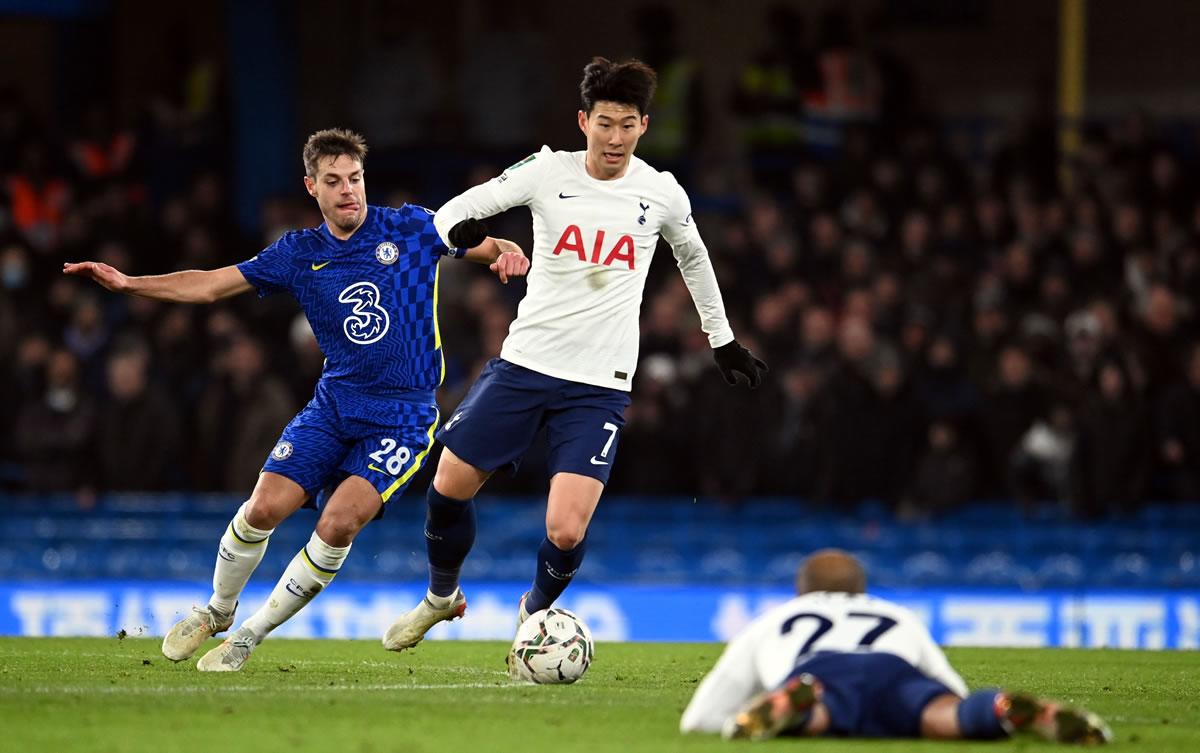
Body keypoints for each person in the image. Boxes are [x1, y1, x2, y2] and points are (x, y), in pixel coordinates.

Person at [63, 128, 529, 671]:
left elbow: (490, 247)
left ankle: (246, 639)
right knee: (261, 509)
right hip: (334, 405)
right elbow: (212, 284)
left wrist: (510, 251)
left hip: (403, 416)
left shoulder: (411, 228)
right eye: (333, 181)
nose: (347, 190)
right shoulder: (297, 253)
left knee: (337, 523)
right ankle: (217, 612)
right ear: (312, 187)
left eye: (354, 178)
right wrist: (129, 284)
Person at [382, 57, 767, 652]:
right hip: (525, 364)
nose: (615, 138)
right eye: (605, 123)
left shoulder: (660, 192)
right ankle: (440, 597)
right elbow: (459, 208)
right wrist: (456, 237)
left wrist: (723, 340)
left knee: (565, 530)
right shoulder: (545, 171)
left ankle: (531, 616)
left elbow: (694, 257)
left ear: (644, 125)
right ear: (583, 120)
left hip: (599, 385)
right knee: (448, 484)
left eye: (628, 125)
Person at [680, 549, 1111, 744]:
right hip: (893, 668)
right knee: (942, 716)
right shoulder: (896, 615)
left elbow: (700, 718)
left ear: (801, 593)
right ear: (862, 590)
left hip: (821, 672)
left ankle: (796, 707)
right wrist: (967, 707)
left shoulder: (775, 618)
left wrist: (734, 719)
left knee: (821, 715)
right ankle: (1000, 709)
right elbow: (951, 688)